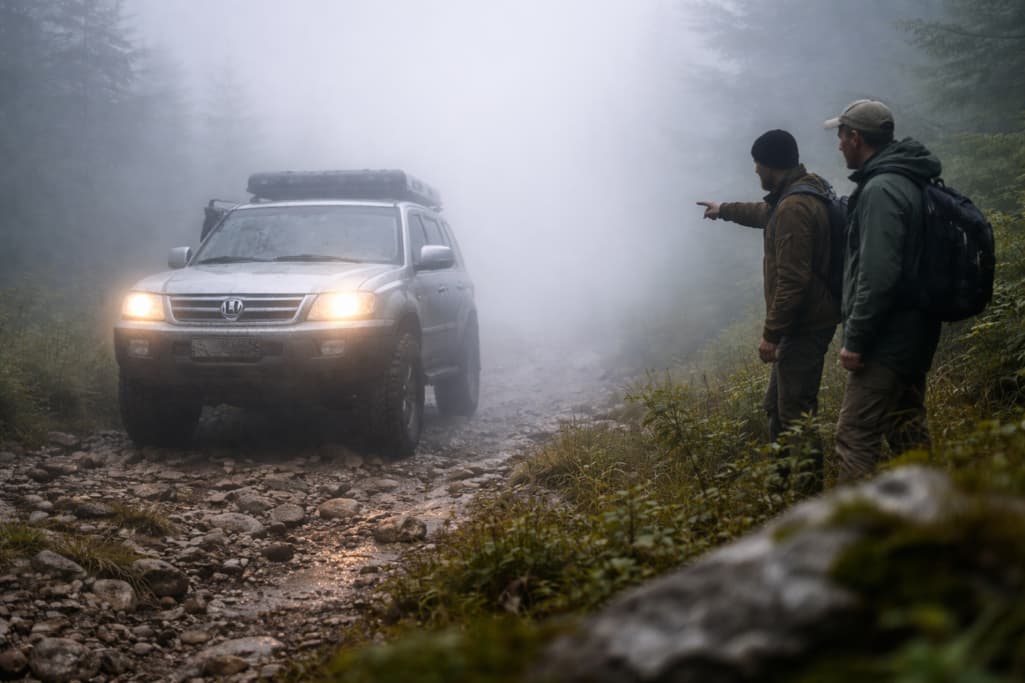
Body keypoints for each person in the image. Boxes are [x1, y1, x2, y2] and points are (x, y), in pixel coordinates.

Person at [698, 130, 840, 491]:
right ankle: (779, 490)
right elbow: (766, 213)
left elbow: (793, 281)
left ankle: (809, 498)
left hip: (805, 324)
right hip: (805, 321)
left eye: (757, 164)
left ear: (770, 165)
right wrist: (724, 210)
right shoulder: (801, 192)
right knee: (777, 408)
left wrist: (771, 334)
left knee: (796, 416)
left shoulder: (794, 207)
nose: (755, 170)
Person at [824, 99, 943, 480]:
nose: (839, 145)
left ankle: (855, 518)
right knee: (906, 431)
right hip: (913, 330)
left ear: (856, 138)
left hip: (887, 338)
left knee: (854, 436)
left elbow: (878, 274)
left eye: (841, 136)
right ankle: (934, 511)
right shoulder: (908, 178)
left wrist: (856, 339)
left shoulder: (881, 190)